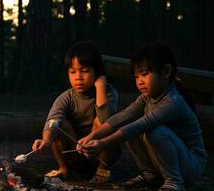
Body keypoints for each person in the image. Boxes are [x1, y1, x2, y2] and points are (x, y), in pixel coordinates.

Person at [77, 41, 207, 191]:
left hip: (191, 164)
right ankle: (150, 175)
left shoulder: (173, 102)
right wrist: (92, 136)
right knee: (130, 127)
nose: (139, 82)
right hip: (173, 160)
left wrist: (104, 144)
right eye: (136, 77)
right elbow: (124, 116)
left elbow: (142, 124)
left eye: (144, 74)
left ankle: (174, 182)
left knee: (153, 131)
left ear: (166, 72)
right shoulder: (147, 97)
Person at [32, 41, 121, 183]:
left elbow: (107, 121)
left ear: (97, 72)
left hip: (100, 153)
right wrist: (47, 140)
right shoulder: (66, 97)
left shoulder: (108, 92)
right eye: (72, 72)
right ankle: (64, 170)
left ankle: (102, 170)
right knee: (59, 124)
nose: (78, 77)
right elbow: (53, 120)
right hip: (74, 153)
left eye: (84, 71)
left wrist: (100, 87)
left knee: (102, 122)